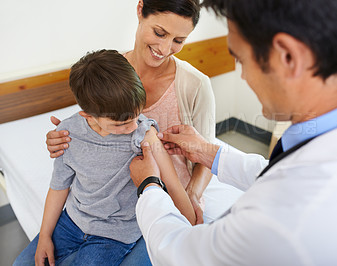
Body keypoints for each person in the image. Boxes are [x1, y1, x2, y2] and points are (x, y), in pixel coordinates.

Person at [129, 0, 337, 265]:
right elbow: (280, 172)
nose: (244, 77)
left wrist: (149, 186)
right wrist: (210, 152)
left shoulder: (282, 222)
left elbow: (179, 253)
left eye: (241, 59)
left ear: (288, 57)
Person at [45, 0, 242, 227]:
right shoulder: (108, 71)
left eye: (178, 41)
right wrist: (64, 137)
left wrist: (193, 195)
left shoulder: (196, 84)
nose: (165, 49)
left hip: (169, 201)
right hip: (111, 206)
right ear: (140, 10)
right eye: (160, 33)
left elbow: (207, 155)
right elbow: (94, 126)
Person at [14, 49, 196, 266]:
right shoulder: (67, 134)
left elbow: (172, 184)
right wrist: (44, 235)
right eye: (120, 124)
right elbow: (58, 187)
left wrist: (192, 229)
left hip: (115, 233)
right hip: (72, 221)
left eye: (136, 116)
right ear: (88, 115)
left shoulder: (144, 134)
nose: (132, 127)